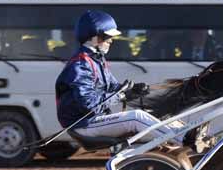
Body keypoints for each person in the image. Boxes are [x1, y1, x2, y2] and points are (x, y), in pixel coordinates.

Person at [55, 10, 186, 146]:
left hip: (94, 120)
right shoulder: (80, 65)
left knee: (150, 113)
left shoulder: (97, 60)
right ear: (95, 38)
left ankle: (183, 133)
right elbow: (89, 104)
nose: (111, 41)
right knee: (136, 117)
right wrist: (121, 96)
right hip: (83, 125)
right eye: (108, 37)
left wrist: (133, 90)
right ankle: (183, 140)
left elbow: (113, 88)